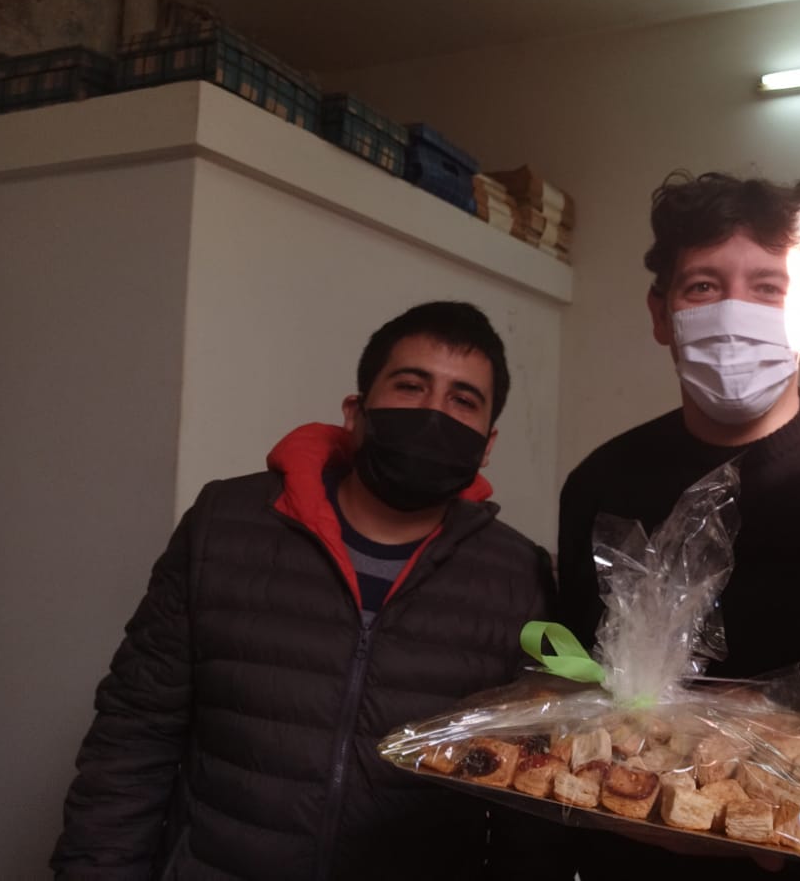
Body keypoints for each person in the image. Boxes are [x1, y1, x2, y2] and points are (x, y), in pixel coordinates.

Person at [51, 301, 564, 880]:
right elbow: (132, 736)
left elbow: (528, 795)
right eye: (410, 386)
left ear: (487, 445)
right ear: (355, 412)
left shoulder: (517, 577)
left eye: (462, 400)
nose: (432, 414)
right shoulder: (225, 526)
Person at [556, 171, 800, 878]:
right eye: (703, 287)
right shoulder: (601, 482)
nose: (733, 313)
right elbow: (573, 679)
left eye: (768, 288)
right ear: (661, 314)